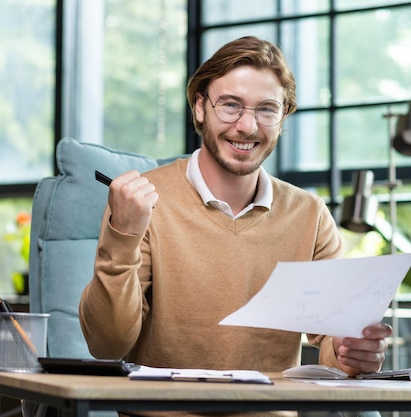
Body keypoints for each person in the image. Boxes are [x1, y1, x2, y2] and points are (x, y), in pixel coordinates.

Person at [78, 36, 391, 417]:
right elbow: (107, 345)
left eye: (266, 109)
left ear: (284, 116)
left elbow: (330, 341)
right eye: (230, 106)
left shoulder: (309, 213)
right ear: (199, 107)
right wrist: (122, 234)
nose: (247, 126)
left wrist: (350, 352)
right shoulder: (142, 203)